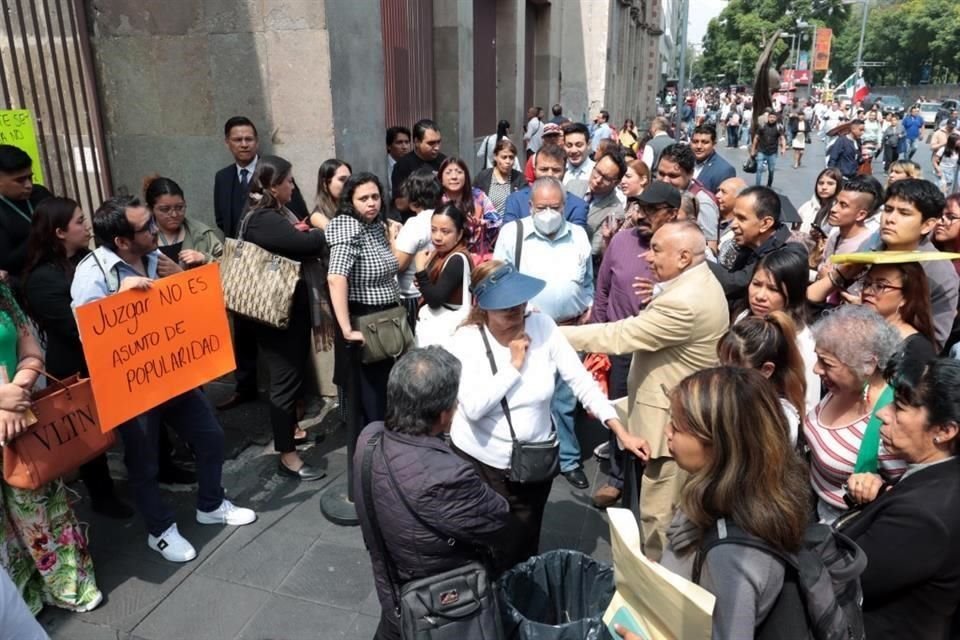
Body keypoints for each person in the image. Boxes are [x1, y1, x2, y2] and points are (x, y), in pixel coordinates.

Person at [73, 195, 258, 558]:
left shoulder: (156, 257)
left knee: (210, 437)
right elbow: (90, 336)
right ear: (122, 241)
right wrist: (118, 301)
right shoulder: (93, 274)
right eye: (146, 228)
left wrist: (182, 279)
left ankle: (210, 504)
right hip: (133, 388)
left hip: (174, 374)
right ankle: (159, 529)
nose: (156, 230)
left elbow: (186, 305)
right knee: (144, 461)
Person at [446, 260, 645, 572]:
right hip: (481, 464)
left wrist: (618, 428)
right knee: (484, 545)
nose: (516, 313)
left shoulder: (542, 326)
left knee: (523, 546)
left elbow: (581, 381)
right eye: (505, 307)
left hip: (533, 464)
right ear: (483, 306)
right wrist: (514, 364)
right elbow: (474, 407)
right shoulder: (465, 341)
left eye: (520, 303)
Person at [561, 221, 729, 560]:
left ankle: (660, 586)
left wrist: (553, 335)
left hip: (673, 426)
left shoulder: (685, 301)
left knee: (660, 520)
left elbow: (620, 337)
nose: (646, 257)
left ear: (683, 257)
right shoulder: (693, 282)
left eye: (655, 249)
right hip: (670, 411)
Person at [631, 367, 809, 640]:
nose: (667, 432)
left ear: (719, 445)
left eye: (676, 427)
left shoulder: (732, 558)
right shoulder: (726, 501)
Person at [353, 347, 509, 640]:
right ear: (442, 414)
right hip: (438, 605)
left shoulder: (368, 439)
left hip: (392, 592)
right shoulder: (448, 475)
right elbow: (498, 519)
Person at [20, 197, 132, 518]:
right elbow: (78, 327)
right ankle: (103, 495)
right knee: (89, 434)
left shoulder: (93, 259)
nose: (87, 227)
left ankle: (159, 466)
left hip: (115, 357)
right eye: (80, 222)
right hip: (76, 367)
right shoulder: (42, 279)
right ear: (59, 232)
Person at [837, 356, 960, 640]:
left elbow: (844, 578)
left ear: (944, 431)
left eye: (899, 407)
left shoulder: (925, 516)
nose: (882, 414)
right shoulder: (936, 479)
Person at [0, 280, 103, 614]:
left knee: (43, 509)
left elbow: (31, 351)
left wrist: (19, 390)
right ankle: (19, 600)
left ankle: (66, 585)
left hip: (22, 419)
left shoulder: (2, 291)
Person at [494, 177, 595, 488]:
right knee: (530, 395)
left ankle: (568, 459)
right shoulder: (514, 233)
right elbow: (498, 279)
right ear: (530, 206)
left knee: (566, 398)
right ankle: (522, 455)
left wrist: (588, 303)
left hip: (569, 329)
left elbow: (588, 278)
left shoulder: (578, 234)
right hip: (529, 330)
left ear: (564, 207)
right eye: (542, 207)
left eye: (555, 207)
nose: (549, 213)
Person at [590, 182, 682, 507]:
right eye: (640, 208)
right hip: (620, 347)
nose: (642, 215)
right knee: (620, 410)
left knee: (662, 416)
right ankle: (617, 477)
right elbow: (602, 291)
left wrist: (660, 292)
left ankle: (657, 480)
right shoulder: (622, 241)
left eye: (651, 210)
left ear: (672, 213)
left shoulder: (685, 250)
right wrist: (596, 338)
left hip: (663, 351)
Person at [241, 156, 330, 480]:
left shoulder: (274, 214)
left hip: (287, 312)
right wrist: (321, 230)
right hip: (277, 316)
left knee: (291, 379)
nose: (293, 186)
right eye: (289, 181)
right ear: (273, 185)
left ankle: (290, 433)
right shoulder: (263, 218)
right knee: (284, 383)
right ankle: (288, 458)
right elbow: (304, 243)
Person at [213, 116, 307, 411]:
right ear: (227, 142)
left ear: (257, 142)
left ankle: (295, 399)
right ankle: (245, 386)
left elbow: (297, 213)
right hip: (244, 271)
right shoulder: (223, 177)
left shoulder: (276, 174)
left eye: (249, 139)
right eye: (237, 139)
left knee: (282, 344)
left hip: (274, 272)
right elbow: (222, 219)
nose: (244, 144)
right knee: (243, 333)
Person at [819, 179, 958, 347]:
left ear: (927, 225)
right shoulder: (872, 245)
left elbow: (932, 343)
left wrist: (871, 316)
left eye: (904, 213)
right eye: (888, 209)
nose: (890, 219)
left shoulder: (938, 272)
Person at [805, 305, 904, 524]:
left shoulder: (891, 421)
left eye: (827, 364)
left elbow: (903, 492)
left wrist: (877, 486)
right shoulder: (841, 387)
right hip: (813, 504)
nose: (816, 370)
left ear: (868, 365)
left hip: (841, 527)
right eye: (818, 358)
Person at [327, 173, 401, 429]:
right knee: (372, 399)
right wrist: (347, 329)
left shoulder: (376, 226)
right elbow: (336, 277)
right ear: (350, 201)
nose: (371, 203)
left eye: (375, 197)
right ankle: (370, 455)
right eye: (363, 198)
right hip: (365, 320)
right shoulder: (348, 226)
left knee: (384, 393)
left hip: (386, 320)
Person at [742, 249, 820, 415]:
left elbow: (807, 407)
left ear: (792, 294)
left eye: (773, 289)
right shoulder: (743, 318)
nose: (760, 296)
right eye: (756, 284)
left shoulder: (803, 345)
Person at [708, 186, 806, 310]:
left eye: (742, 218)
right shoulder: (749, 244)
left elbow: (735, 283)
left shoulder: (788, 253)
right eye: (734, 217)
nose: (733, 225)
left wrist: (697, 259)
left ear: (765, 223)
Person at [719, 313, 807, 443]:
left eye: (735, 369)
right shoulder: (727, 396)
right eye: (721, 364)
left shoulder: (781, 419)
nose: (722, 375)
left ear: (766, 370)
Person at [413, 203, 472, 346]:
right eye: (434, 230)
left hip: (447, 332)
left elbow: (435, 301)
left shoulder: (457, 258)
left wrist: (421, 270)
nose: (438, 237)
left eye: (445, 232)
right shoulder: (438, 253)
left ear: (459, 234)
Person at [392, 169, 444, 329]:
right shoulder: (443, 218)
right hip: (436, 293)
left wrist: (392, 238)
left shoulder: (415, 224)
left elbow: (399, 264)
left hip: (412, 296)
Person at [0, 145, 53, 286]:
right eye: (20, 180)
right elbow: (7, 262)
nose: (29, 185)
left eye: (30, 177)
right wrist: (41, 234)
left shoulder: (40, 194)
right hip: (27, 283)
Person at [503, 145, 588, 231]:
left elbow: (575, 239)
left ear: (564, 172)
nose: (549, 174)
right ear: (534, 170)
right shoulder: (515, 201)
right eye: (544, 169)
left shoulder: (577, 206)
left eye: (556, 170)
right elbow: (509, 236)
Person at [145, 176, 223, 268]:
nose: (174, 214)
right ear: (150, 209)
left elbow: (229, 267)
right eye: (165, 209)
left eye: (179, 207)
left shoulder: (202, 234)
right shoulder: (140, 238)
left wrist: (205, 259)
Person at [656, 144, 721, 253]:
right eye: (661, 174)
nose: (665, 180)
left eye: (673, 176)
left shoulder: (703, 203)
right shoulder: (660, 193)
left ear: (690, 174)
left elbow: (710, 249)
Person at [437, 157, 499, 258]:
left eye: (459, 172)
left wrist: (483, 223)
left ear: (466, 176)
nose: (454, 177)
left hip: (475, 257)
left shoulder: (478, 196)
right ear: (441, 178)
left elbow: (497, 222)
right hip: (443, 256)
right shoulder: (436, 199)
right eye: (448, 172)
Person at [584, 150, 628, 257]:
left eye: (606, 178)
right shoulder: (572, 186)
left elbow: (595, 250)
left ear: (616, 182)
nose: (598, 180)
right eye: (597, 172)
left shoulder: (615, 211)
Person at [391, 119, 445, 197]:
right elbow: (399, 203)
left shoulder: (445, 163)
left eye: (438, 142)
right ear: (417, 142)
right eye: (431, 143)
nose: (437, 147)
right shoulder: (403, 166)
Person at [473, 138, 526, 216]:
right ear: (495, 157)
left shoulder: (520, 179)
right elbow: (473, 200)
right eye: (504, 157)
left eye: (511, 157)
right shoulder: (483, 177)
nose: (508, 161)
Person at [796, 167, 842, 235]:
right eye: (821, 183)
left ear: (838, 186)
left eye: (830, 183)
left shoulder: (838, 211)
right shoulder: (807, 206)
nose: (824, 187)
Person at [690, 124, 735, 193]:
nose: (699, 146)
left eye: (705, 142)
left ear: (714, 144)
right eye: (695, 142)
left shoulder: (724, 170)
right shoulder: (684, 161)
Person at [309, 158, 352, 230]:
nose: (348, 183)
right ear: (325, 184)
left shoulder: (352, 207)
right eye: (342, 179)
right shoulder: (318, 216)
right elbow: (337, 236)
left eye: (350, 179)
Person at [714, 177, 748, 267]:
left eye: (723, 192)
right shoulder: (711, 215)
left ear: (738, 198)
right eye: (718, 190)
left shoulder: (739, 231)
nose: (717, 195)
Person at [750, 109, 786, 188]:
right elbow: (756, 138)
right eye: (770, 117)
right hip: (761, 150)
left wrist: (783, 148)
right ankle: (757, 186)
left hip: (772, 152)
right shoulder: (762, 126)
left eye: (773, 117)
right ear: (768, 118)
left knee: (771, 170)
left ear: (776, 118)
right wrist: (753, 149)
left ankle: (769, 184)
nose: (772, 119)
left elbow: (782, 138)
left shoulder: (778, 127)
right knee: (759, 168)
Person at [562, 122, 594, 198]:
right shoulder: (559, 171)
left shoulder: (597, 172)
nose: (573, 150)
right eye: (569, 145)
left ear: (588, 144)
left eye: (579, 145)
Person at [385, 125, 411, 203]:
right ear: (389, 146)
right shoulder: (383, 166)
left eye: (407, 142)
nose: (404, 147)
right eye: (399, 142)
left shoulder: (411, 163)